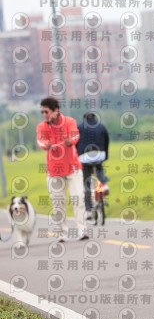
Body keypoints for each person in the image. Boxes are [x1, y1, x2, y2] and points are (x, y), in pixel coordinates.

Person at [36, 97, 88, 241]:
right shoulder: (42, 126)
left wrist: (70, 141)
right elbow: (40, 140)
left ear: (56, 110)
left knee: (78, 198)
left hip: (72, 168)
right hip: (54, 170)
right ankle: (62, 232)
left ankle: (82, 230)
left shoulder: (69, 121)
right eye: (42, 112)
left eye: (46, 112)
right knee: (58, 202)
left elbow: (75, 135)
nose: (44, 115)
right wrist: (45, 145)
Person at [77, 112, 110, 219]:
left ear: (84, 118)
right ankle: (104, 184)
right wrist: (105, 155)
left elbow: (75, 143)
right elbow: (106, 141)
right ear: (95, 118)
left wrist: (78, 156)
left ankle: (88, 211)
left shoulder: (79, 127)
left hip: (85, 157)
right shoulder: (101, 126)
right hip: (100, 154)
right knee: (99, 167)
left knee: (86, 182)